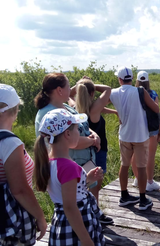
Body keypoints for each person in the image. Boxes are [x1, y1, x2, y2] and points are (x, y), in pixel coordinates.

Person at [34, 73, 113, 225]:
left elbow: (80, 125)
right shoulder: (49, 113)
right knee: (76, 199)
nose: (71, 89)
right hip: (72, 163)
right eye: (68, 86)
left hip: (82, 161)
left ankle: (93, 217)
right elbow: (71, 142)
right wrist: (92, 142)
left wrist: (93, 134)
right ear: (59, 90)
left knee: (88, 190)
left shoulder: (62, 107)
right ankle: (84, 225)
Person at [34, 108, 105, 246]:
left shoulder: (49, 162)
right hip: (77, 224)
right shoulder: (69, 167)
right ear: (67, 133)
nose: (79, 133)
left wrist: (87, 179)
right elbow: (70, 206)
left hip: (61, 223)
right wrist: (86, 240)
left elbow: (67, 192)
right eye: (77, 129)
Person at [0, 84, 46, 245]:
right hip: (11, 220)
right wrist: (40, 216)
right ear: (15, 110)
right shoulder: (9, 143)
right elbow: (19, 190)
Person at [110, 67, 159, 210]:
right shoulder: (140, 91)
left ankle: (124, 195)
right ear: (132, 79)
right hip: (140, 135)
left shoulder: (113, 92)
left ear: (119, 79)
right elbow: (156, 109)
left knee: (124, 165)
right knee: (142, 167)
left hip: (124, 135)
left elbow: (100, 103)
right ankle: (143, 199)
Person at [74, 76, 117, 203]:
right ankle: (95, 213)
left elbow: (70, 94)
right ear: (92, 93)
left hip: (83, 152)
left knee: (83, 184)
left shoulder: (74, 108)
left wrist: (80, 84)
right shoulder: (94, 110)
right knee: (95, 187)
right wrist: (92, 84)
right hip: (98, 151)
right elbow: (108, 89)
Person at [131, 71, 160, 191]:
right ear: (148, 81)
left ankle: (137, 178)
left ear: (137, 81)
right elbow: (157, 112)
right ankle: (149, 182)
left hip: (136, 129)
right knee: (150, 155)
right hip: (151, 129)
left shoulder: (132, 94)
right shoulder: (153, 93)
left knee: (135, 154)